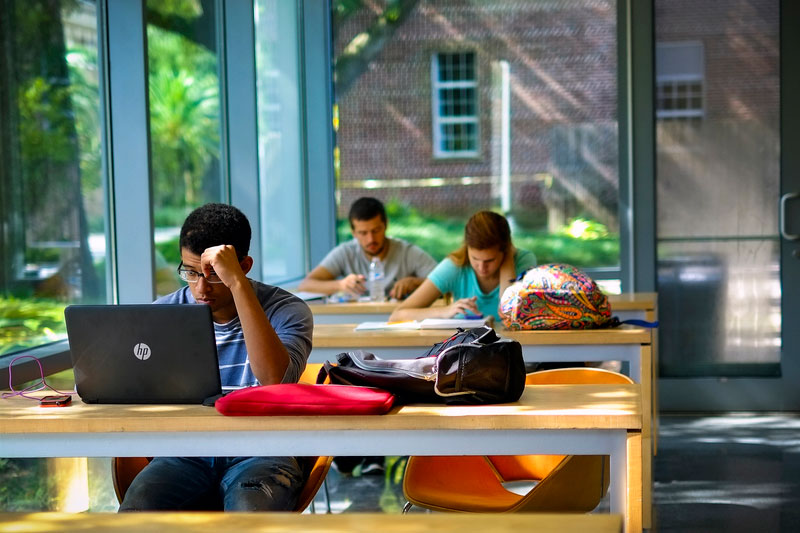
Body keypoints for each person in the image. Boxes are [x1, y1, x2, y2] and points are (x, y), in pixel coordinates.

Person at [119, 203, 313, 512]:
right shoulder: (162, 316)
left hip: (263, 452)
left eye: (214, 275)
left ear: (244, 265)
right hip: (184, 452)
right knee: (139, 509)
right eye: (191, 272)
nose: (200, 288)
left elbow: (275, 379)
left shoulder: (286, 310)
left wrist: (237, 285)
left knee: (249, 516)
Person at [389, 210, 536, 322]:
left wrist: (508, 257)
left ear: (505, 250)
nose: (481, 267)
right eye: (475, 258)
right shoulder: (455, 266)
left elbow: (511, 314)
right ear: (467, 248)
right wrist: (445, 311)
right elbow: (397, 316)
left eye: (489, 260)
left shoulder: (523, 261)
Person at [298, 197, 437, 300]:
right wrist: (341, 285)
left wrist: (415, 282)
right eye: (363, 233)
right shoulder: (346, 252)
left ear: (385, 226)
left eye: (376, 230)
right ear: (353, 233)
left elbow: (445, 282)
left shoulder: (407, 252)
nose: (371, 239)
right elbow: (305, 285)